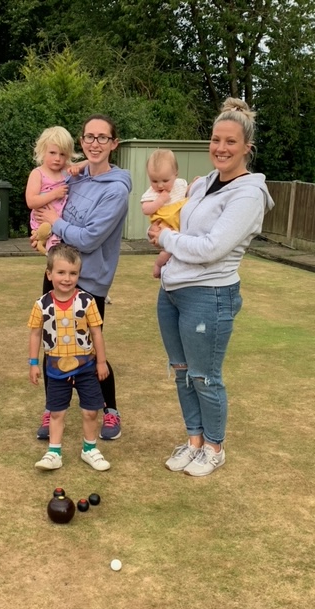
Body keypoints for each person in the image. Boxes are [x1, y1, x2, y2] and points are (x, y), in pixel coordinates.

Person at [148, 97, 274, 477]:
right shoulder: (202, 184)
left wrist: (164, 240)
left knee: (204, 376)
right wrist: (167, 234)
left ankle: (215, 446)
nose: (221, 148)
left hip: (209, 295)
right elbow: (183, 224)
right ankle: (194, 440)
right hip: (172, 293)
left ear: (247, 147)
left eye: (231, 142)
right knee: (183, 370)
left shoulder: (249, 194)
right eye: (216, 139)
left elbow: (211, 249)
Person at [31, 114, 132, 441]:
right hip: (58, 271)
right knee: (53, 343)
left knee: (89, 348)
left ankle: (110, 410)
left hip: (89, 280)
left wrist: (54, 222)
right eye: (89, 136)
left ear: (114, 144)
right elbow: (47, 193)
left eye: (103, 137)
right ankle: (52, 410)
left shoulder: (116, 191)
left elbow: (89, 239)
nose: (95, 143)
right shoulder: (76, 176)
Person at [28, 244, 111, 471]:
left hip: (86, 367)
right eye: (61, 272)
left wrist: (101, 362)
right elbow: (35, 334)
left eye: (73, 273)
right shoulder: (41, 304)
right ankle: (54, 453)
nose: (67, 278)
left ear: (79, 274)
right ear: (49, 274)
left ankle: (90, 449)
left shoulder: (87, 301)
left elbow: (96, 333)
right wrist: (33, 363)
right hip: (55, 369)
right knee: (57, 412)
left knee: (91, 410)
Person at [26, 126, 83, 254]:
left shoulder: (64, 172)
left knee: (63, 254)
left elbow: (88, 163)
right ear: (42, 151)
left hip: (61, 223)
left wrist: (76, 168)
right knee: (54, 254)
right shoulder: (38, 173)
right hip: (42, 222)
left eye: (62, 154)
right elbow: (31, 201)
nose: (57, 158)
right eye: (52, 153)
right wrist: (54, 194)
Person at [141, 148, 188, 278]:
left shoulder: (180, 185)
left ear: (176, 174)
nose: (160, 186)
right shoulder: (152, 193)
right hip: (164, 226)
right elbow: (146, 209)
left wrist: (195, 183)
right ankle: (158, 265)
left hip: (180, 226)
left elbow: (190, 192)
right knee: (168, 252)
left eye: (165, 181)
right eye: (154, 181)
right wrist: (160, 200)